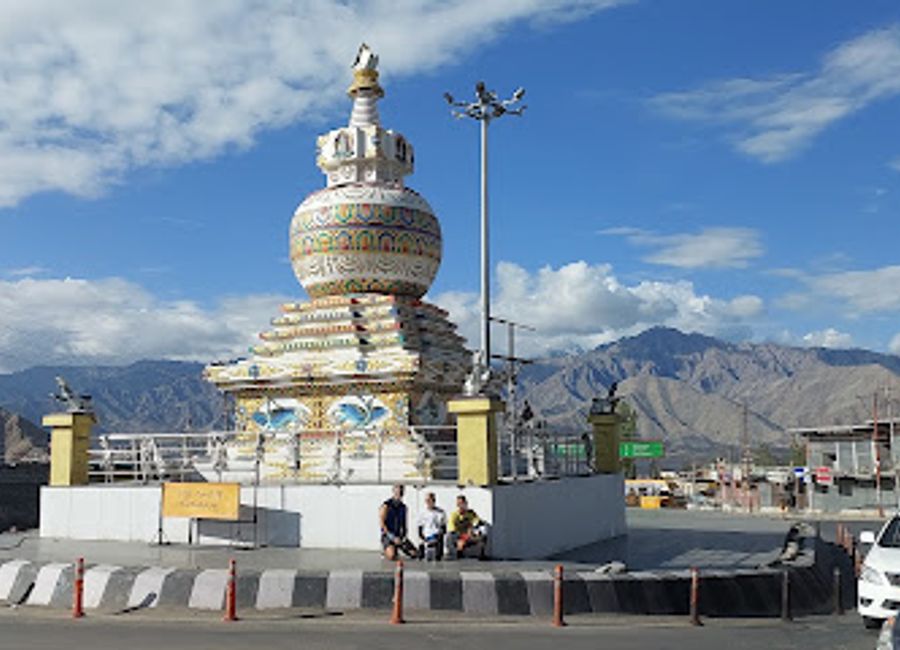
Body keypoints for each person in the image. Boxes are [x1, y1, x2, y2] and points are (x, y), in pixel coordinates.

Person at [379, 484, 416, 560]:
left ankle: (398, 548)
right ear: (393, 491)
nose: (399, 493)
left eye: (401, 491)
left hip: (399, 537)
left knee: (415, 554)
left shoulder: (404, 507)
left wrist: (403, 538)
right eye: (398, 491)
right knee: (391, 556)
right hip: (388, 536)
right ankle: (386, 550)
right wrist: (392, 537)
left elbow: (404, 525)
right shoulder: (386, 505)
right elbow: (382, 524)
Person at [447, 494, 487, 559]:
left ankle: (481, 556)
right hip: (458, 537)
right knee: (449, 537)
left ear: (465, 503)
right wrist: (461, 539)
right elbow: (452, 531)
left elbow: (477, 523)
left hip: (468, 536)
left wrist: (474, 532)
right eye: (458, 504)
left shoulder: (471, 513)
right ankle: (455, 555)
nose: (460, 506)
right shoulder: (454, 515)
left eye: (462, 503)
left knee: (482, 537)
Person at [416, 492, 446, 561]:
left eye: (430, 500)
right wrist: (424, 539)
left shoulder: (441, 512)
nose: (429, 502)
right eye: (427, 501)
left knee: (437, 552)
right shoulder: (422, 513)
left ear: (434, 501)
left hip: (437, 537)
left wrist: (438, 535)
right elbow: (419, 530)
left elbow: (444, 528)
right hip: (426, 537)